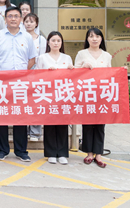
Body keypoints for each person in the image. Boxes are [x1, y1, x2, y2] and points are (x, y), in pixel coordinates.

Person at [0, 6, 36, 162]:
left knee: (20, 117)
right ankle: (2, 150)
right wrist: (1, 74)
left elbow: (32, 59)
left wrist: (21, 74)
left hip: (20, 84)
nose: (13, 19)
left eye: (16, 16)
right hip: (2, 83)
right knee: (1, 116)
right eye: (10, 16)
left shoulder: (27, 37)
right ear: (5, 19)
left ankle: (21, 151)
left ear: (20, 19)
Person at [74, 27, 114, 169]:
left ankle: (98, 155)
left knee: (100, 125)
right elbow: (73, 73)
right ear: (87, 39)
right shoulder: (81, 54)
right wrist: (83, 67)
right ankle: (89, 154)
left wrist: (121, 71)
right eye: (91, 36)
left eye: (97, 36)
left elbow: (111, 74)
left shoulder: (107, 56)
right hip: (87, 94)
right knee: (88, 124)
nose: (94, 39)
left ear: (101, 39)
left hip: (102, 95)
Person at [36, 31, 74, 165]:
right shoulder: (42, 58)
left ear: (61, 43)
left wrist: (72, 70)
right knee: (50, 125)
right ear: (48, 42)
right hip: (48, 96)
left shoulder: (67, 58)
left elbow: (73, 78)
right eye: (53, 40)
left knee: (62, 125)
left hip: (63, 96)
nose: (56, 43)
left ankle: (62, 153)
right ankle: (51, 153)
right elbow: (37, 77)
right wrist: (47, 73)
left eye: (58, 40)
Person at [24, 12, 47, 143]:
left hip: (37, 74)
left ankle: (35, 132)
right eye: (27, 21)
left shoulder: (41, 40)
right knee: (24, 102)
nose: (29, 24)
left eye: (32, 21)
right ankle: (25, 130)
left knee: (36, 102)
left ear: (36, 24)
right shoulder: (20, 37)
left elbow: (43, 57)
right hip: (23, 74)